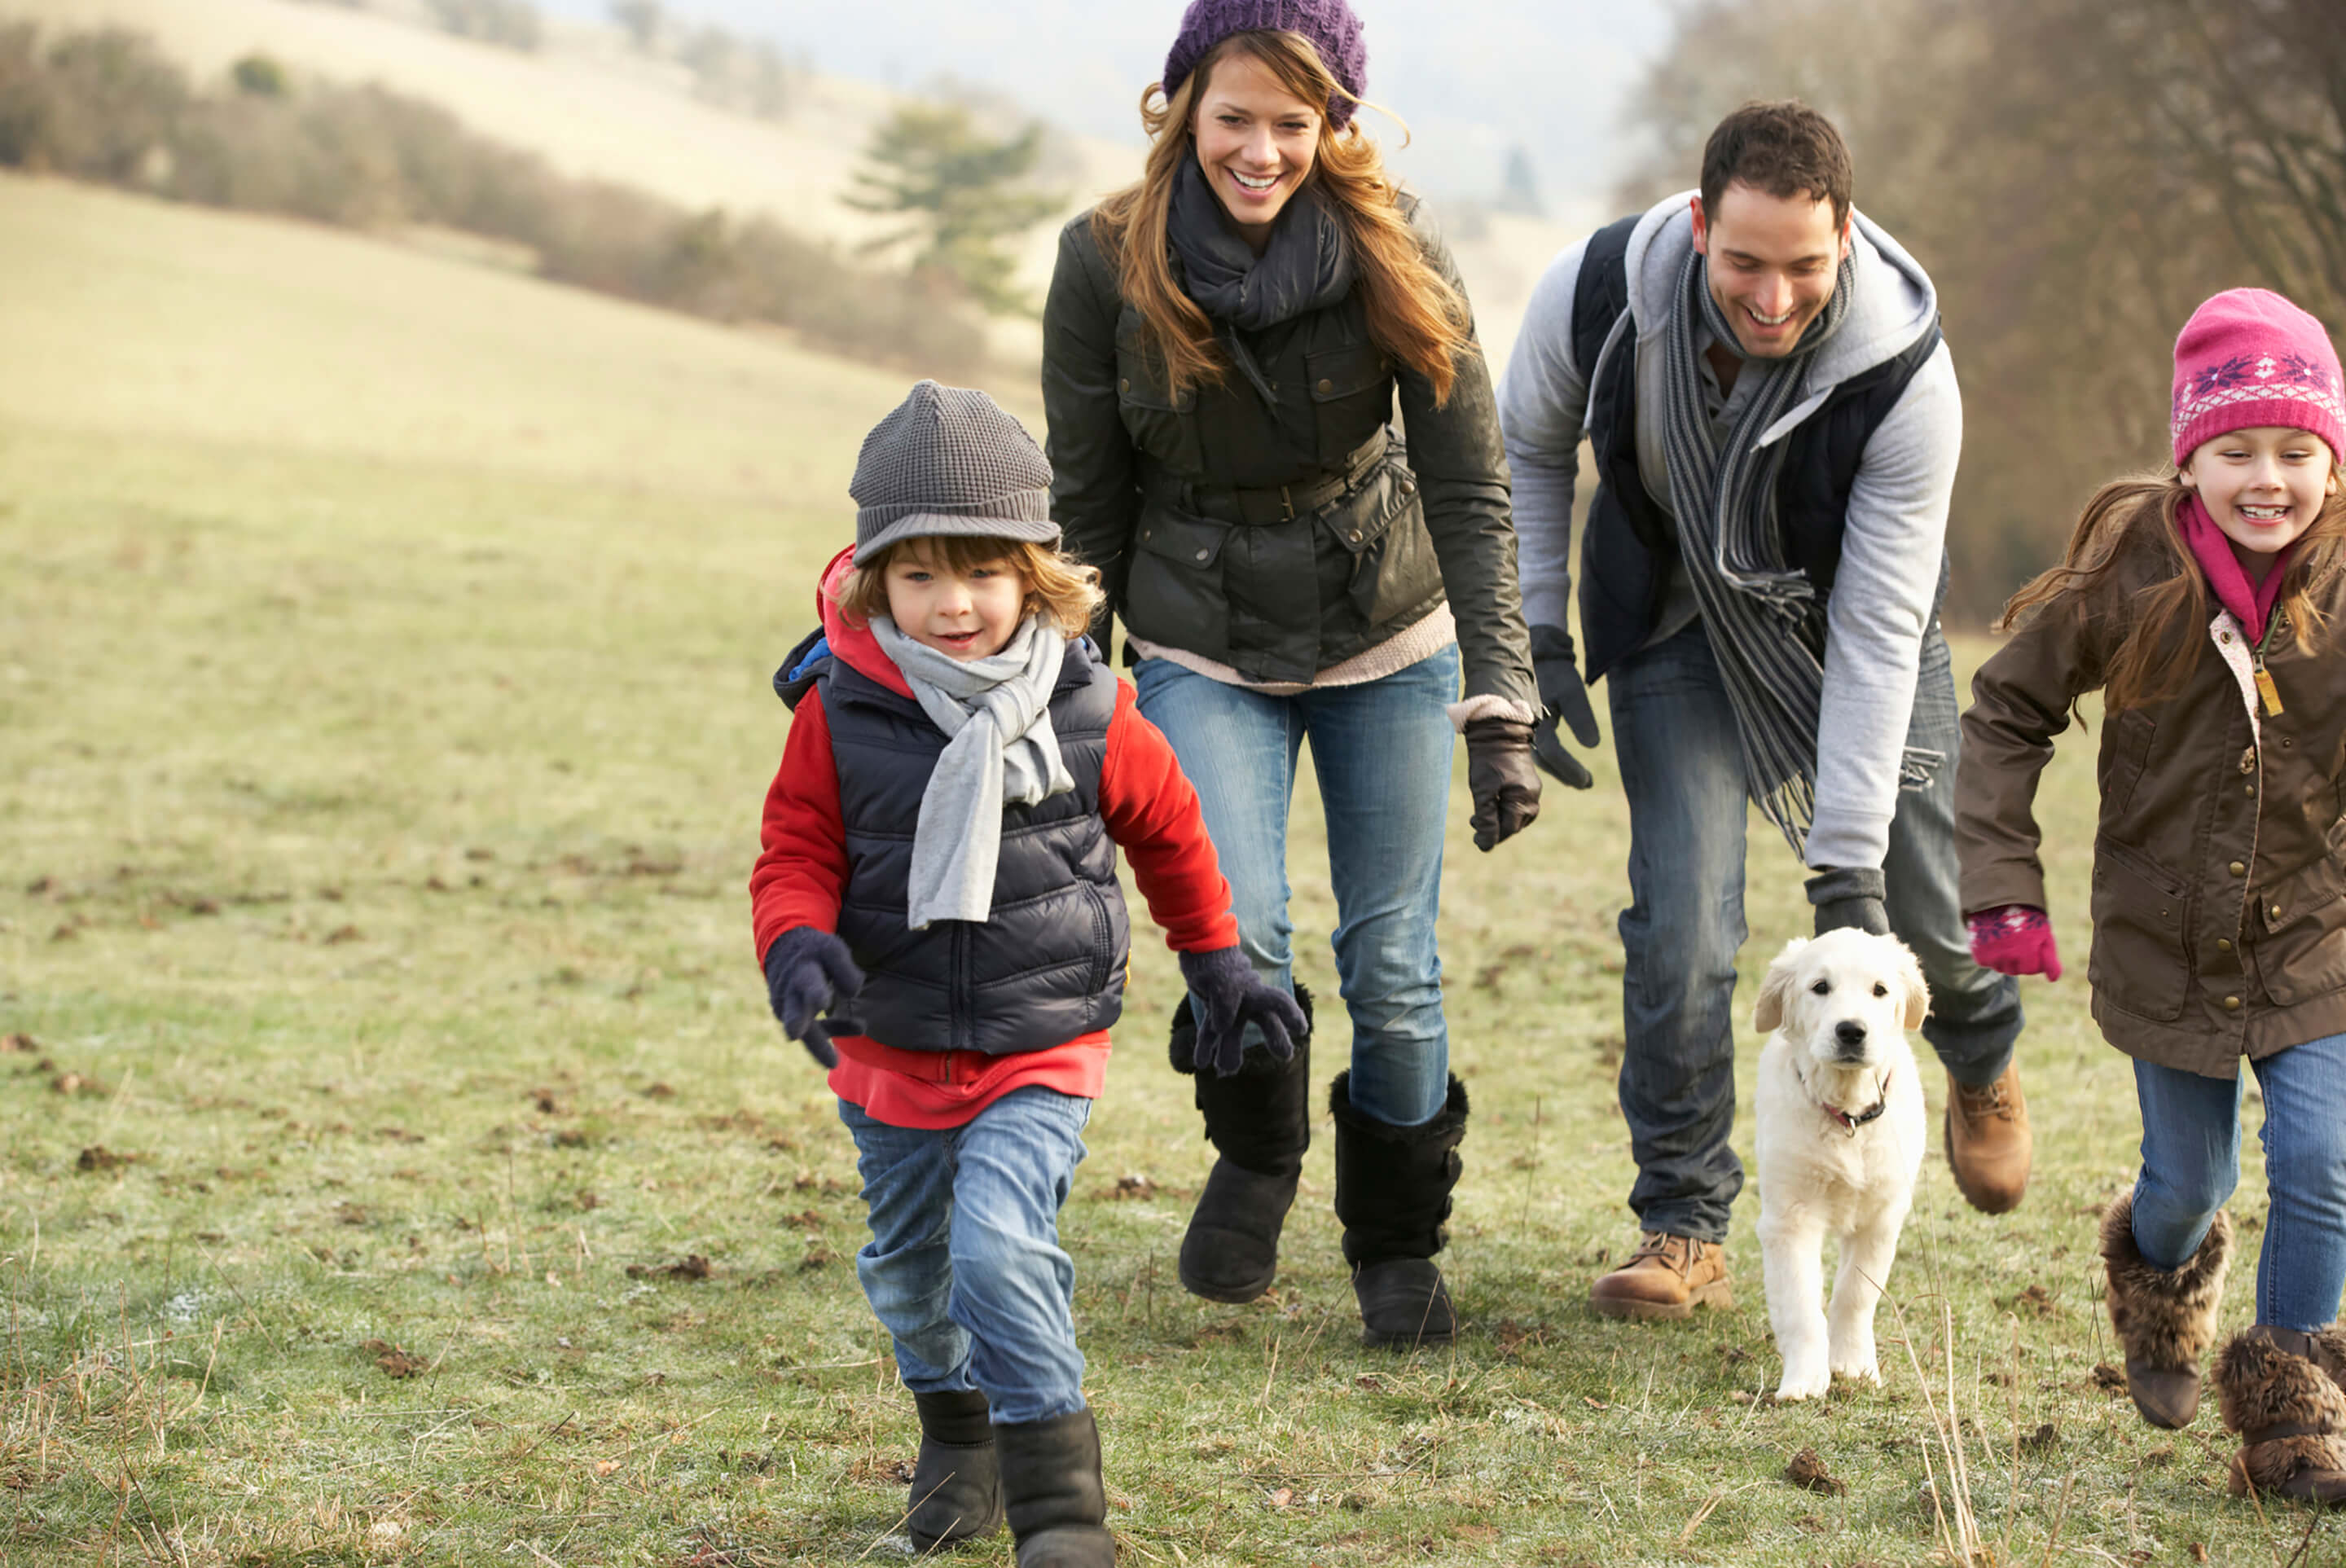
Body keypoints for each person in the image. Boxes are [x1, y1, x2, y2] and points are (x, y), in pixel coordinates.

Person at [1041, 0, 1542, 1351]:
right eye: (1235, 118)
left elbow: (1469, 488)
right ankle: (1258, 1157)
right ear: (1182, 105)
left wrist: (1500, 700)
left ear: (1334, 126)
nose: (1261, 151)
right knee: (1239, 933)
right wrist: (1068, 712)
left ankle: (1395, 1241)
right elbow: (1083, 511)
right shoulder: (1104, 263)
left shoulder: (1398, 250)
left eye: (1292, 123)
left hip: (1384, 629)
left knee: (1395, 962)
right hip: (1200, 635)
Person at [749, 381, 1304, 1567]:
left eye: (984, 572)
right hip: (884, 1044)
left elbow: (1169, 831)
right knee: (908, 1277)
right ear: (872, 580)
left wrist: (1220, 964)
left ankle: (1061, 1513)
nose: (954, 603)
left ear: (1036, 573)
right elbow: (792, 852)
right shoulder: (838, 714)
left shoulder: (1095, 708)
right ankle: (959, 1437)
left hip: (1040, 1042)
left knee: (1000, 1244)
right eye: (920, 575)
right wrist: (797, 945)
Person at [1497, 99, 2030, 1321]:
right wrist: (1533, 632)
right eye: (1743, 262)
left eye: (1804, 264)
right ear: (1697, 227)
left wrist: (1846, 875)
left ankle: (1984, 1052)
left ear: (1847, 236)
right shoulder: (1599, 292)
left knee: (1919, 924)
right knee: (1684, 928)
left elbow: (1883, 628)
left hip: (1847, 632)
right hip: (1676, 625)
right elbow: (1526, 444)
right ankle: (1683, 1221)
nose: (1774, 296)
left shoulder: (1905, 372)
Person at [1958, 288, 2346, 1502]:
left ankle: (2292, 1411)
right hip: (2164, 943)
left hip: (2313, 937)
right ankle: (2157, 1276)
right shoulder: (2131, 572)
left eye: (2296, 452)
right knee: (2192, 1183)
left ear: (2332, 460)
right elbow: (2006, 712)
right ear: (2190, 461)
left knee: (2327, 1160)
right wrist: (2003, 890)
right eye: (2237, 453)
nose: (2267, 479)